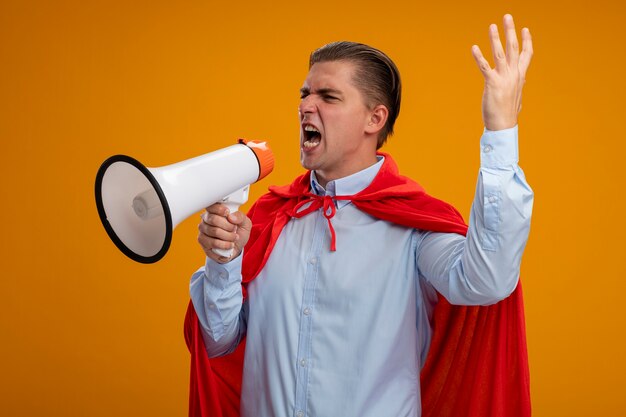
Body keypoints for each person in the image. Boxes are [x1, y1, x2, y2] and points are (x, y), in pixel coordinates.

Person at [187, 13, 534, 417]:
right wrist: (224, 262)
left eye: (328, 97)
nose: (304, 105)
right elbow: (216, 341)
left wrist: (500, 130)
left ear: (375, 119)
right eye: (304, 93)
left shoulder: (415, 231)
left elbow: (487, 281)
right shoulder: (269, 219)